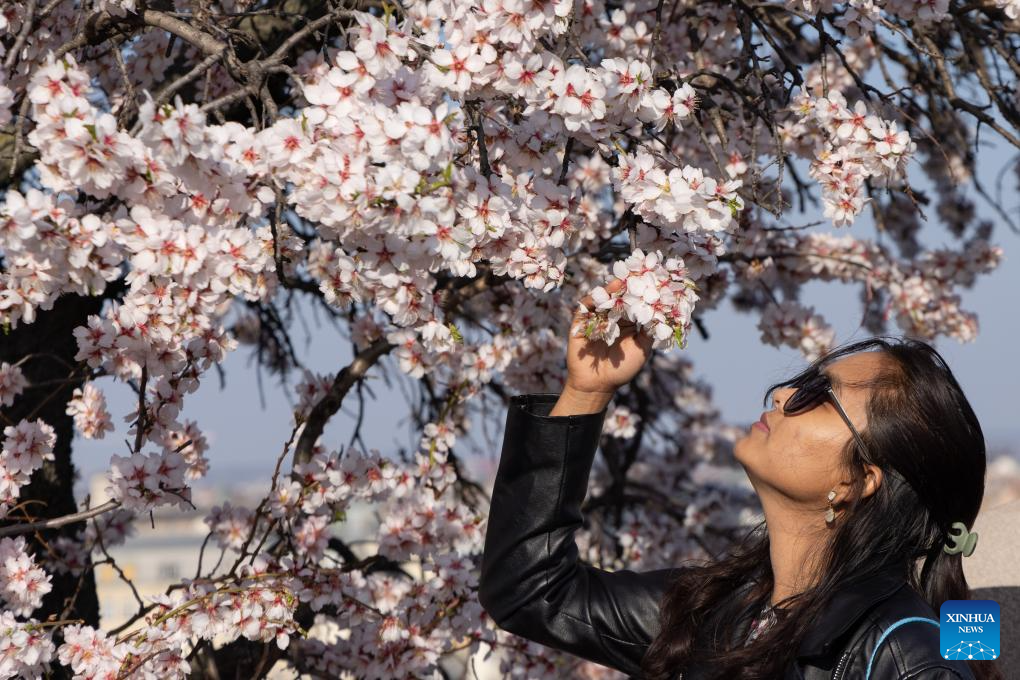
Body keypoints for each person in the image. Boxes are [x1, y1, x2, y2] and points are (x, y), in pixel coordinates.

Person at [478, 278, 1004, 680]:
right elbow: (532, 591)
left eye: (819, 395)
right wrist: (587, 392)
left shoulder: (907, 658)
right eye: (803, 381)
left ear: (857, 481)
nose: (783, 394)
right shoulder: (716, 608)